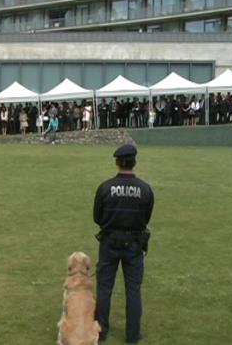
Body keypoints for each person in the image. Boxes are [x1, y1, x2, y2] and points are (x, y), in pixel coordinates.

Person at [93, 144, 154, 344]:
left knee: (104, 288)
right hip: (134, 244)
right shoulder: (145, 189)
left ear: (117, 162)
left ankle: (100, 331)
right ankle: (133, 334)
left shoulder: (105, 188)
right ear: (134, 162)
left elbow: (97, 217)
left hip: (109, 242)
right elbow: (145, 217)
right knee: (133, 289)